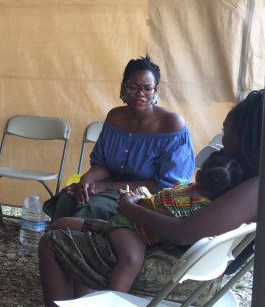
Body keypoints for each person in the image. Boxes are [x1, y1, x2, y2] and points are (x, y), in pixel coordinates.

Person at [14, 89, 263, 307]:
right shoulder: (245, 175)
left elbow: (183, 232)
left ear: (248, 136)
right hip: (177, 255)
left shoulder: (253, 187)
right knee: (66, 225)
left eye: (228, 131)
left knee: (53, 243)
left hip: (172, 266)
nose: (222, 137)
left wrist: (129, 207)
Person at [58, 150, 243, 293]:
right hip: (132, 227)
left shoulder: (192, 193)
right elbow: (172, 229)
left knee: (71, 226)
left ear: (199, 175)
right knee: (131, 261)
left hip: (136, 222)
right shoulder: (205, 208)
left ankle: (104, 305)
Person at [47, 56, 195, 222]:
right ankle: (53, 245)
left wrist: (104, 187)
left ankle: (74, 246)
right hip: (111, 185)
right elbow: (104, 164)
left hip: (147, 196)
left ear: (156, 89)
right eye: (134, 87)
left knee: (93, 207)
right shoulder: (115, 117)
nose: (141, 94)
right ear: (124, 86)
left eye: (147, 88)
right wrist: (86, 180)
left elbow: (168, 185)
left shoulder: (172, 125)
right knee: (67, 197)